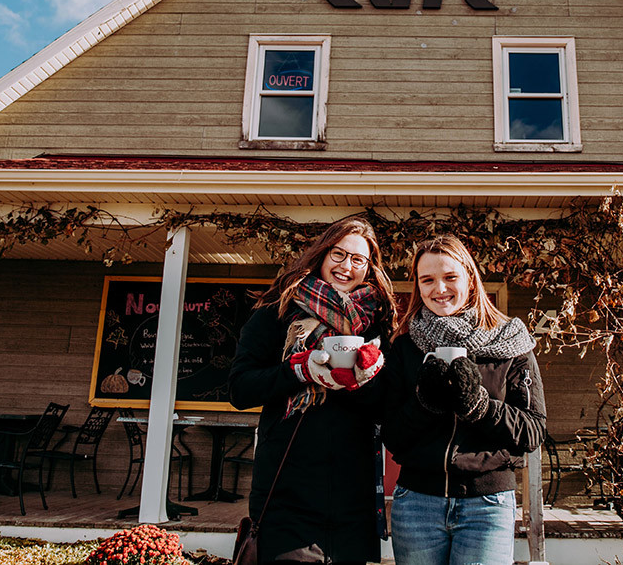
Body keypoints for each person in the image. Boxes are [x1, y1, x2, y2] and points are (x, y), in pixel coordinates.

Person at [229, 217, 396, 564]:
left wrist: (366, 380)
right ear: (321, 254)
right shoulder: (278, 313)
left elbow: (387, 408)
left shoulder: (378, 324)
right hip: (287, 496)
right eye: (338, 254)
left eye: (358, 260)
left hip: (352, 500)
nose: (346, 266)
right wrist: (299, 370)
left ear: (369, 268)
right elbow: (240, 389)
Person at [381, 234, 547, 565]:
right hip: (416, 504)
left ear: (470, 278)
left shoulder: (511, 341)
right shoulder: (405, 345)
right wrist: (423, 405)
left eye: (450, 277)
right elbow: (391, 434)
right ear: (418, 286)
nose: (439, 289)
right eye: (427, 280)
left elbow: (532, 431)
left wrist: (481, 408)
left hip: (487, 505)